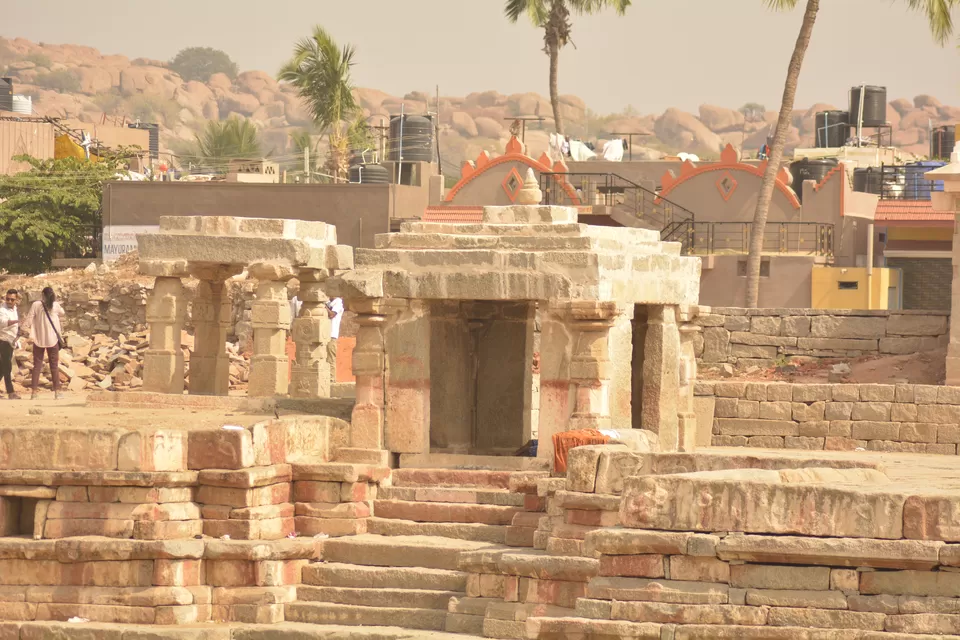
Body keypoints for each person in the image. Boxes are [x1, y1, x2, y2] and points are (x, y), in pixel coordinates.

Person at [23, 287, 65, 400]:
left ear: (42, 294)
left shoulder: (36, 304)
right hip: (53, 340)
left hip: (39, 340)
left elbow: (29, 319)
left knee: (37, 366)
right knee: (54, 366)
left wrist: (22, 329)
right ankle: (57, 392)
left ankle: (34, 393)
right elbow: (63, 313)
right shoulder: (55, 305)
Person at [0, 289, 20, 400]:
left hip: (11, 341)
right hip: (3, 339)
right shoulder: (2, 309)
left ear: (16, 300)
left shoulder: (14, 309)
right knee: (7, 366)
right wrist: (16, 322)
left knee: (2, 367)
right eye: (7, 299)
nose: (9, 301)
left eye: (12, 299)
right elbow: (2, 322)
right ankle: (11, 392)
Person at [326, 297, 344, 384]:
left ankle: (331, 379)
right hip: (324, 334)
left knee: (330, 358)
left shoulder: (338, 302)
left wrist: (323, 306)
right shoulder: (328, 302)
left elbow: (332, 314)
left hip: (331, 335)